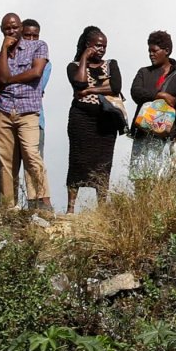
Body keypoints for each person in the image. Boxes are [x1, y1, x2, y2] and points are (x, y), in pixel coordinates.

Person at [0, 12, 51, 211]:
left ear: (21, 28)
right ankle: (8, 205)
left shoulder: (38, 46)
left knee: (32, 154)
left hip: (28, 109)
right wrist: (3, 49)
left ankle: (40, 201)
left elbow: (36, 72)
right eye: (7, 28)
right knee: (6, 160)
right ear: (2, 30)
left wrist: (11, 79)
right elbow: (0, 78)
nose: (11, 31)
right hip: (4, 109)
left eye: (15, 27)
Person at [64, 25, 123, 212]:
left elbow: (115, 87)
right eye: (97, 45)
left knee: (103, 165)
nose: (101, 49)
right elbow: (79, 82)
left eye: (104, 46)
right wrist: (83, 58)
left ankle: (101, 210)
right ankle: (71, 209)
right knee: (77, 162)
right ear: (88, 44)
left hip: (106, 123)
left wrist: (89, 90)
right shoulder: (73, 66)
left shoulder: (111, 64)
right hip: (81, 120)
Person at [128, 31, 176, 179]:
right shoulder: (144, 72)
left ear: (167, 51)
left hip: (166, 136)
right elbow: (136, 92)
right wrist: (159, 95)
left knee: (162, 179)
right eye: (149, 51)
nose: (151, 54)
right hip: (143, 133)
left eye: (154, 51)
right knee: (139, 177)